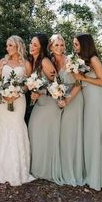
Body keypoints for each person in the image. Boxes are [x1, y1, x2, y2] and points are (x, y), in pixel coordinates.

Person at [73, 33, 102, 191]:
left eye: (77, 44)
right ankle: (90, 172)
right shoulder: (81, 61)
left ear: (85, 45)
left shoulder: (93, 59)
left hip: (96, 100)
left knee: (95, 135)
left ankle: (97, 176)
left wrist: (83, 78)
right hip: (86, 100)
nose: (75, 47)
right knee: (89, 136)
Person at [0, 35, 34, 186]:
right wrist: (5, 93)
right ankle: (4, 170)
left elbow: (28, 83)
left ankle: (20, 170)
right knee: (5, 129)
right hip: (3, 101)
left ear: (18, 46)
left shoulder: (25, 63)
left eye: (10, 45)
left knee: (17, 127)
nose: (7, 48)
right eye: (7, 45)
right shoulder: (2, 61)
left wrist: (17, 93)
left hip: (19, 100)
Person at [49, 34, 84, 186]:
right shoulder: (49, 62)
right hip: (62, 100)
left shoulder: (71, 60)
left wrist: (68, 100)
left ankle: (73, 171)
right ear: (50, 47)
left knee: (70, 135)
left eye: (62, 45)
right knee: (63, 135)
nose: (60, 48)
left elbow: (79, 83)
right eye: (56, 45)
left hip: (74, 99)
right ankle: (63, 168)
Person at [28, 33, 62, 183]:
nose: (32, 46)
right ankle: (36, 168)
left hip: (49, 104)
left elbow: (57, 84)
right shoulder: (33, 61)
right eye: (31, 43)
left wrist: (40, 92)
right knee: (33, 131)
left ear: (41, 47)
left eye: (35, 45)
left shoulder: (45, 62)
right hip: (40, 103)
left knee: (42, 134)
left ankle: (45, 169)